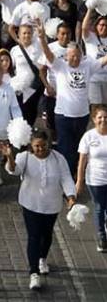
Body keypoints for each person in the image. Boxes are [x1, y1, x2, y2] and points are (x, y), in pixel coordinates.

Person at [4, 130, 76, 290]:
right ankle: (34, 273)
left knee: (47, 235)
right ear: (31, 145)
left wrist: (71, 195)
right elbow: (13, 170)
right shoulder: (24, 157)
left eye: (43, 146)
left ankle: (42, 258)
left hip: (52, 205)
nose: (40, 149)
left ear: (48, 144)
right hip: (30, 204)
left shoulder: (58, 158)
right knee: (34, 236)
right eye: (37, 146)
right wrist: (9, 156)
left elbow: (66, 177)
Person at [36, 22, 107, 175]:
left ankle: (76, 173)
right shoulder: (60, 66)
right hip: (63, 116)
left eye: (77, 56)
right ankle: (66, 177)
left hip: (82, 116)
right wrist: (42, 38)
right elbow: (48, 55)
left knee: (79, 147)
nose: (75, 59)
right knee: (65, 148)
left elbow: (103, 60)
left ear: (81, 56)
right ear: (66, 56)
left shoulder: (88, 65)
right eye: (72, 56)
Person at [76, 106, 107, 252]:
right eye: (100, 117)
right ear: (94, 119)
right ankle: (102, 237)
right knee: (100, 208)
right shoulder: (88, 137)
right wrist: (79, 181)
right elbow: (82, 160)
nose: (103, 120)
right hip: (95, 180)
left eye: (105, 117)